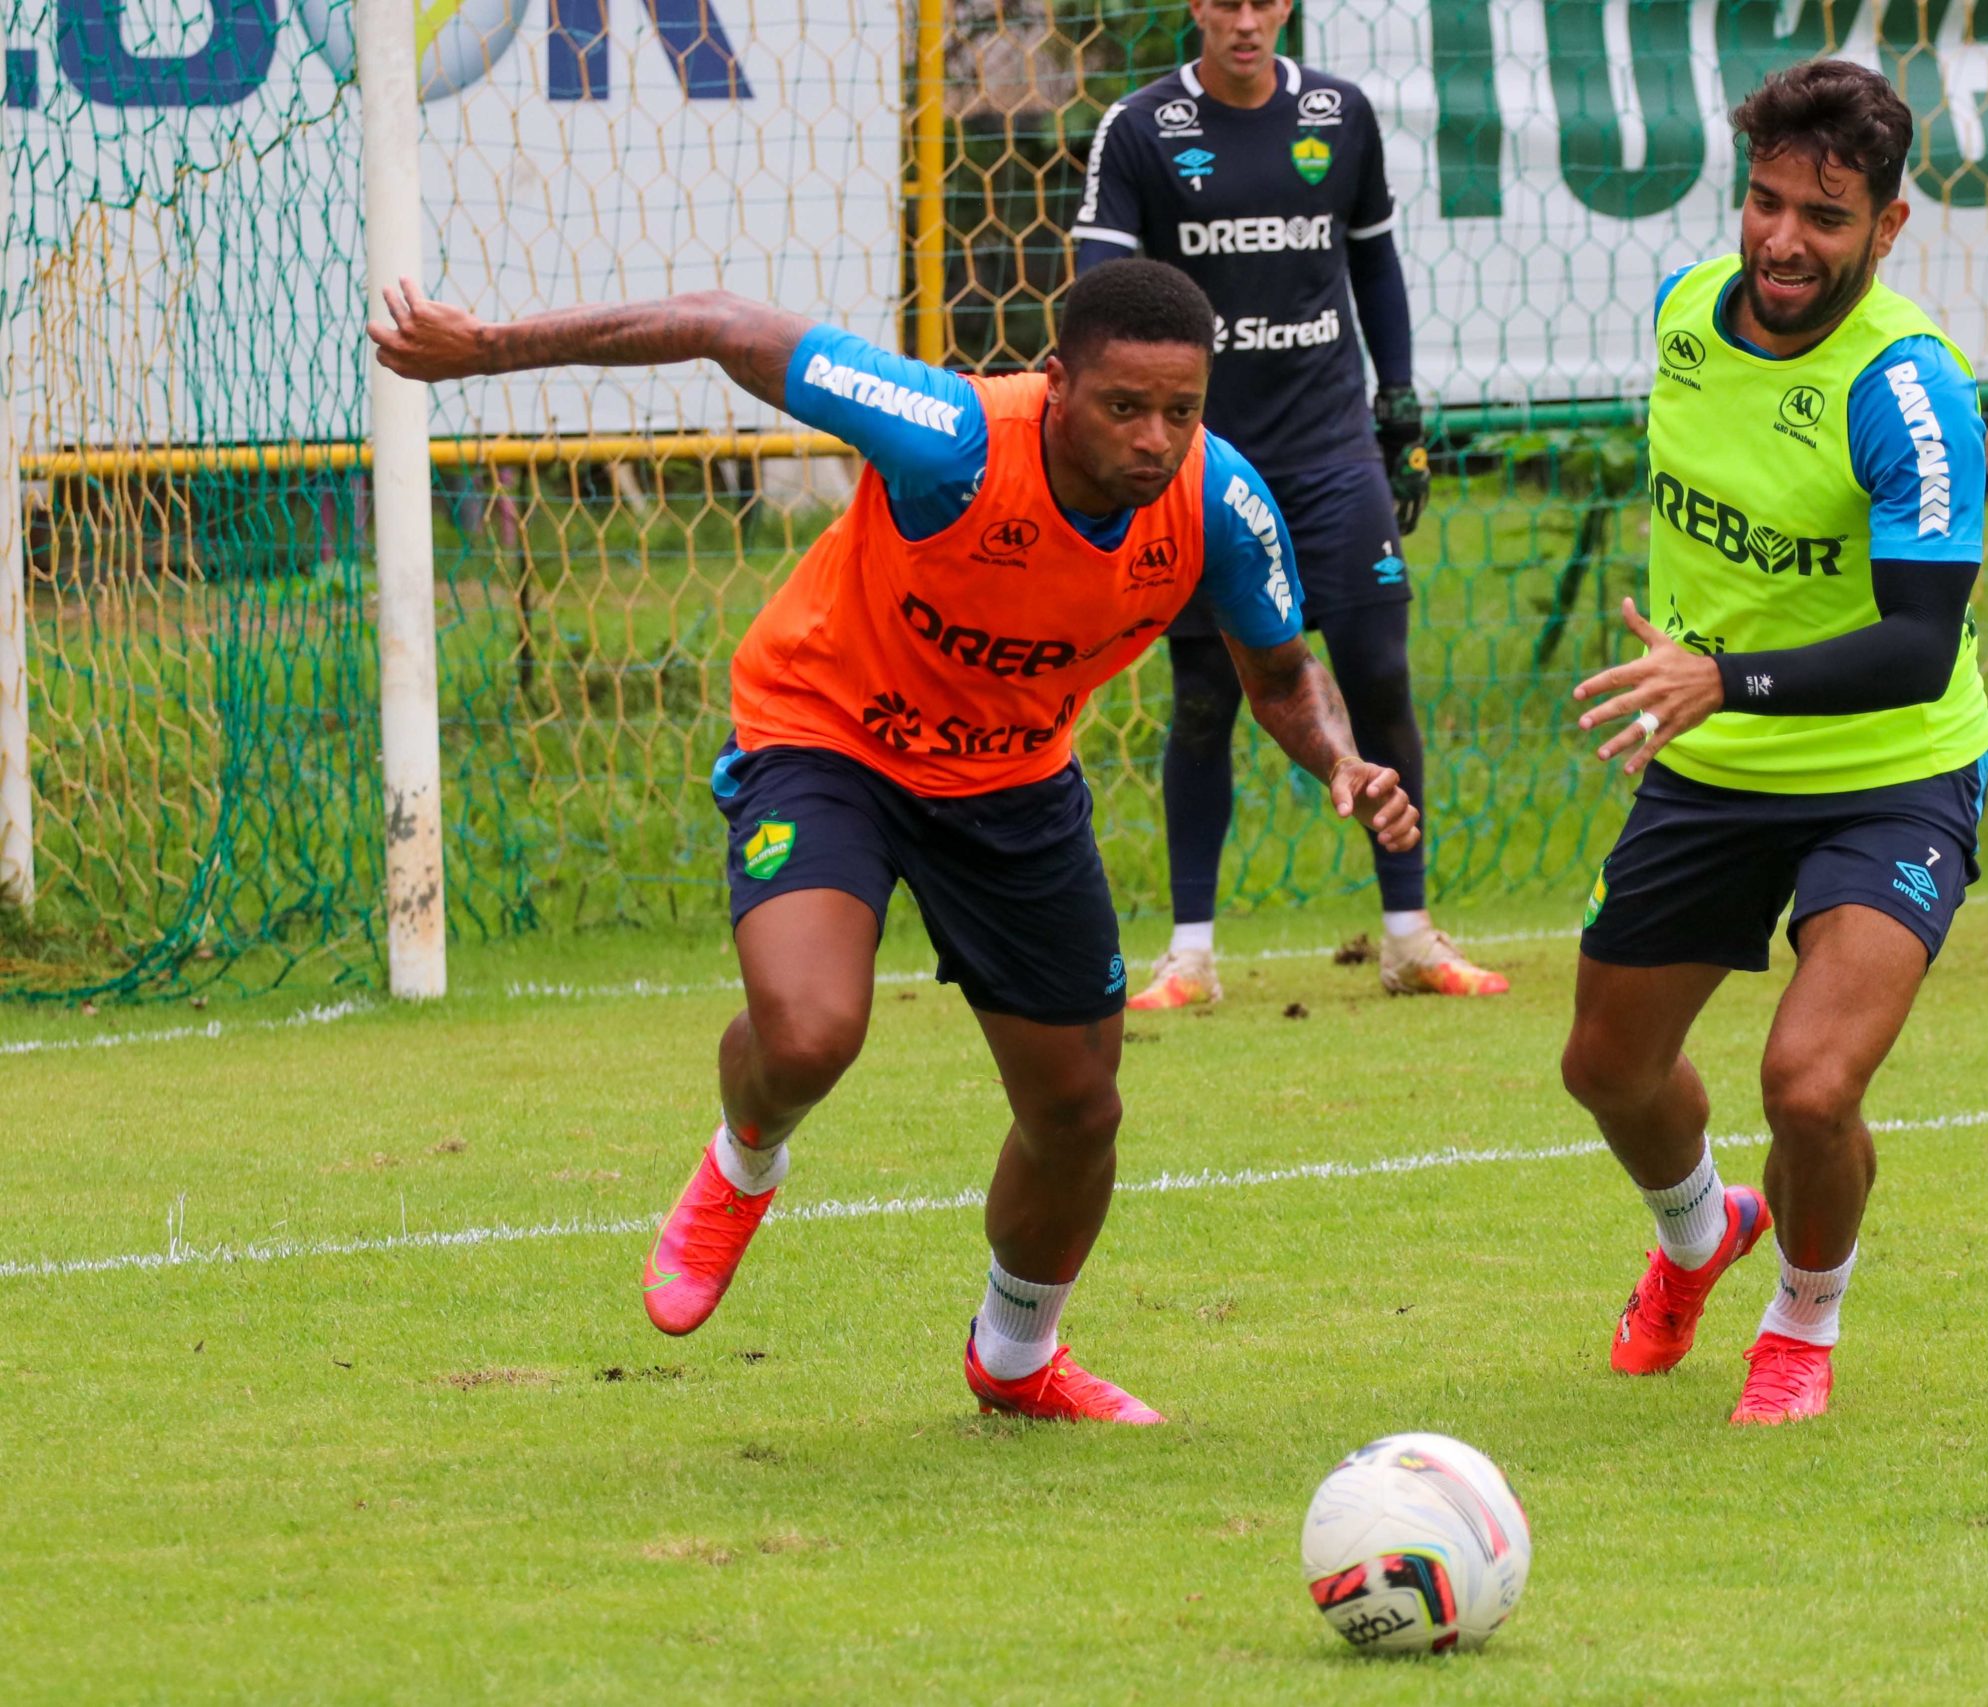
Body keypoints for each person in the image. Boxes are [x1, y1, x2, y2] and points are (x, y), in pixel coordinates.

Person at [368, 260, 1417, 1424]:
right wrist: (489, 348)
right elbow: (722, 323)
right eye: (1124, 407)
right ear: (1057, 382)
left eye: (1182, 410)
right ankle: (743, 1161)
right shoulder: (951, 440)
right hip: (827, 740)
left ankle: (1016, 1361)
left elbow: (1280, 675)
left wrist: (1342, 762)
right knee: (811, 1032)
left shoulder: (1221, 505)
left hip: (1012, 783)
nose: (1155, 440)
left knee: (1079, 1111)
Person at [1557, 61, 1988, 1426]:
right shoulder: (1687, 311)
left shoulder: (1910, 390)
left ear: (1889, 226)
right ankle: (1700, 1234)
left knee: (1808, 1081)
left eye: (1826, 213)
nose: (1785, 240)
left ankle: (1803, 1320)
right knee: (1607, 1068)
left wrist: (1722, 674)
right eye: (1764, 202)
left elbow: (1918, 641)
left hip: (1891, 771)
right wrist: (1710, 691)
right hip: (1712, 757)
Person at [1070, 0, 1507, 1005]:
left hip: (1329, 452)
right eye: (1223, 1)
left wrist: (1397, 406)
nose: (1244, 20)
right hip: (1200, 461)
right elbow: (1100, 292)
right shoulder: (1141, 131)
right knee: (1205, 698)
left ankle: (1409, 937)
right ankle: (1189, 958)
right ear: (1196, 9)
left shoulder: (1338, 114)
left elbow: (1375, 263)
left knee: (1379, 671)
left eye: (1262, 0)